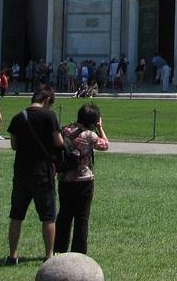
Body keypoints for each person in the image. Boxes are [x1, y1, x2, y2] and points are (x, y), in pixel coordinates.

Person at [6, 84, 65, 265]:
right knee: (48, 216)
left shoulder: (18, 117)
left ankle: (13, 255)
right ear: (47, 100)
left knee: (16, 215)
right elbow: (59, 142)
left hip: (22, 172)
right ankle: (48, 255)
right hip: (43, 172)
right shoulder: (49, 116)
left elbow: (14, 145)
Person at [54, 103, 109, 255]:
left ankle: (59, 248)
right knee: (82, 217)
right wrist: (100, 128)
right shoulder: (90, 135)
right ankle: (79, 250)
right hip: (84, 180)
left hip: (65, 178)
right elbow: (105, 145)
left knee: (64, 214)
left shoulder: (65, 130)